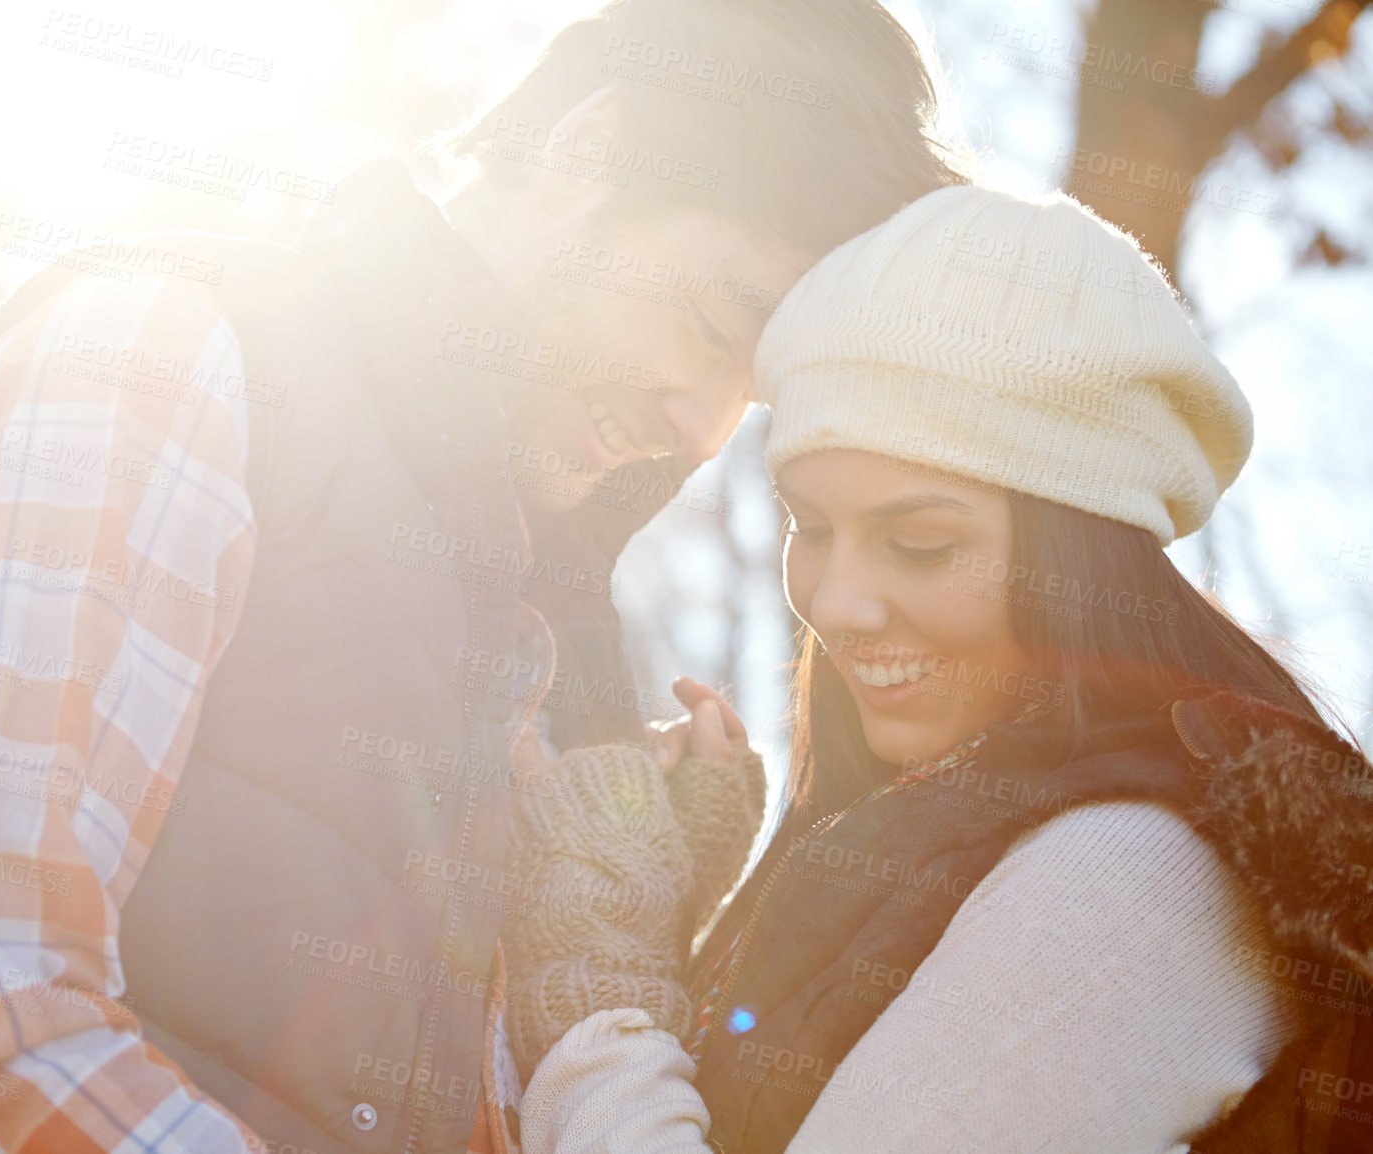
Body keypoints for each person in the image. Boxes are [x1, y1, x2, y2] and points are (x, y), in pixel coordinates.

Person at [0, 3, 964, 1152]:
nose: (705, 423)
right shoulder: (158, 360)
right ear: (588, 153)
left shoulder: (551, 616)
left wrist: (635, 924)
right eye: (710, 324)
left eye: (750, 384)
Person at [501, 186, 1373, 1153]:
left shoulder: (1130, 878)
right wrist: (673, 919)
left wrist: (601, 989)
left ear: (1076, 557)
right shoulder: (967, 822)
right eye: (812, 527)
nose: (834, 603)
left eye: (917, 542)